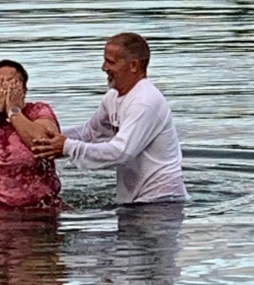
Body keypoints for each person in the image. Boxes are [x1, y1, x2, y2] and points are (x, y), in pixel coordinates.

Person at [32, 32, 188, 204]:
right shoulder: (112, 97)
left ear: (134, 66)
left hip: (163, 203)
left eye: (111, 62)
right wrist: (45, 139)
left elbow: (121, 152)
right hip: (135, 202)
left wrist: (67, 147)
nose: (104, 67)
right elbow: (90, 132)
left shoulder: (145, 102)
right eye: (105, 60)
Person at [0, 60, 62, 208]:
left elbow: (45, 143)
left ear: (24, 90)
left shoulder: (39, 112)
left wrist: (14, 111)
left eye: (12, 83)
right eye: (0, 83)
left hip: (39, 210)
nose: (6, 88)